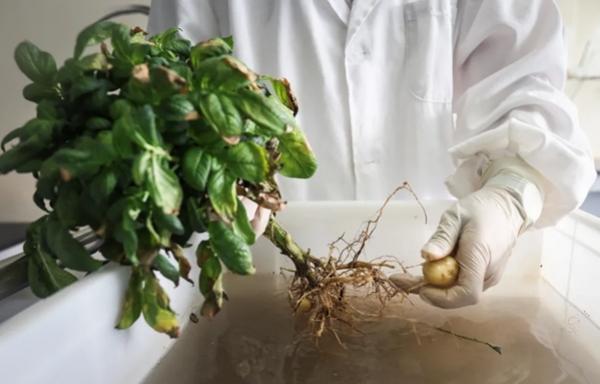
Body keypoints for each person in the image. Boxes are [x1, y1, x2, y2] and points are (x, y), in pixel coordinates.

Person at [148, 0, 596, 309]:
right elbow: (173, 88)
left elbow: (527, 86)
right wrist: (212, 168)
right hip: (259, 271)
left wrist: (511, 191)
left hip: (434, 261)